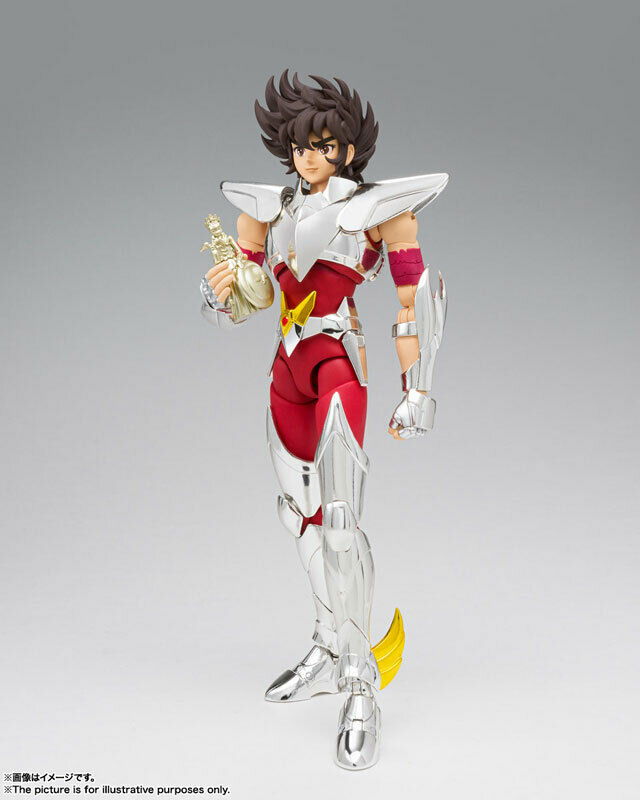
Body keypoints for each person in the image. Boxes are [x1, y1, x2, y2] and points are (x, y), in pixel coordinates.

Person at [200, 71, 448, 770]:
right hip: (286, 370)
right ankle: (327, 642)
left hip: (338, 364)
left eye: (324, 143)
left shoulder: (379, 210)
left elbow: (414, 297)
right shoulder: (265, 210)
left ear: (347, 147)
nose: (310, 156)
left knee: (340, 522)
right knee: (299, 518)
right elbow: (249, 299)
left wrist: (418, 389)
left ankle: (361, 682)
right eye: (299, 145)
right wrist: (220, 294)